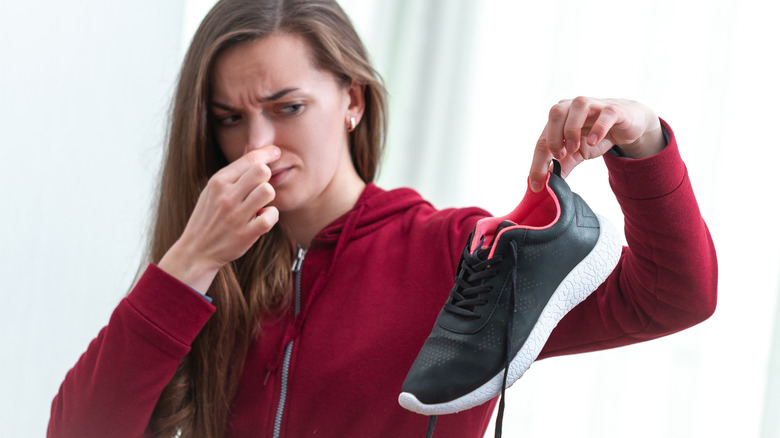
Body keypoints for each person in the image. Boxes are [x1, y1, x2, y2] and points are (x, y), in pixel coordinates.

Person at [47, 0, 718, 437]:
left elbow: (674, 296)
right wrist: (188, 261)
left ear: (353, 102)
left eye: (287, 108)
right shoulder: (204, 282)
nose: (256, 146)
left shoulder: (460, 257)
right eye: (229, 119)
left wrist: (645, 139)